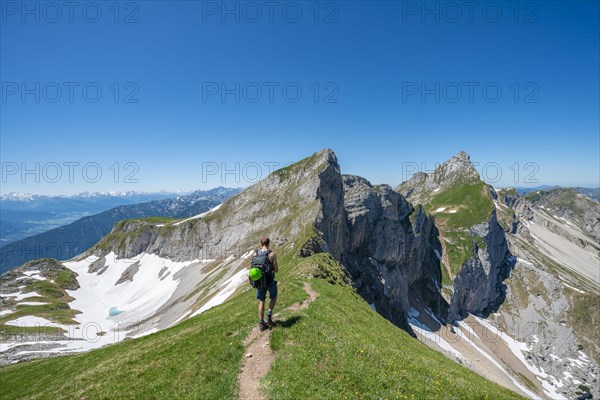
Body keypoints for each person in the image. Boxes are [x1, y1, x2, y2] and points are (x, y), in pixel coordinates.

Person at [253, 237, 278, 332]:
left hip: (259, 281)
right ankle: (269, 315)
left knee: (261, 301)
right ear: (268, 244)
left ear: (261, 244)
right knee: (274, 297)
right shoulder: (272, 254)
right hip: (269, 280)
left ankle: (261, 323)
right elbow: (276, 270)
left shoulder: (255, 253)